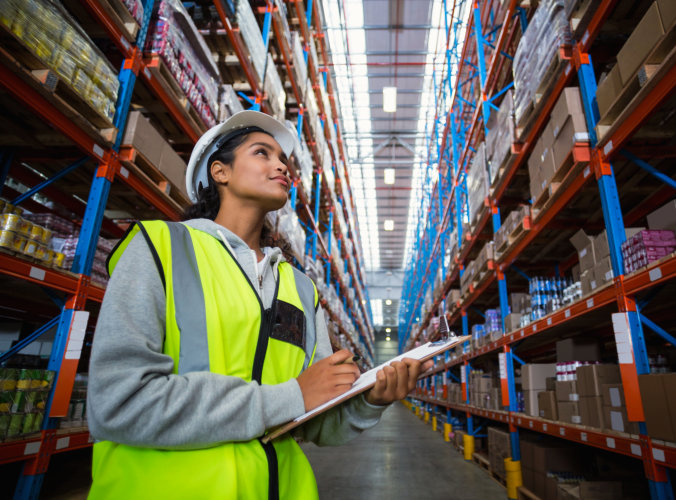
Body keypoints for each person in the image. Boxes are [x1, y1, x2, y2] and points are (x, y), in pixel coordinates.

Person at [87, 110, 431, 499]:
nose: (281, 165)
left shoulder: (301, 289)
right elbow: (119, 403)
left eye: (283, 159)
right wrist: (289, 396)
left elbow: (313, 421)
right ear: (221, 172)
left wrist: (369, 400)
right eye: (262, 153)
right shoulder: (159, 248)